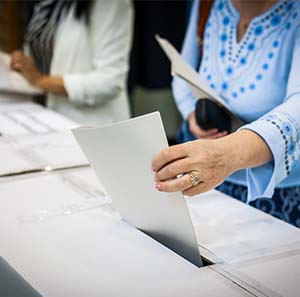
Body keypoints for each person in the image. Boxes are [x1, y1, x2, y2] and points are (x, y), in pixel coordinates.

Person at [152, 0, 300, 227]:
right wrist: (192, 115)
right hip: (206, 177)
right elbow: (182, 68)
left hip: (277, 193)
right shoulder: (207, 4)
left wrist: (226, 155)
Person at [10, 0, 133, 126]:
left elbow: (109, 81)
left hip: (89, 126)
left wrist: (40, 80)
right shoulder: (48, 4)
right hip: (43, 115)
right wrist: (24, 62)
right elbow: (45, 51)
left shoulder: (111, 4)